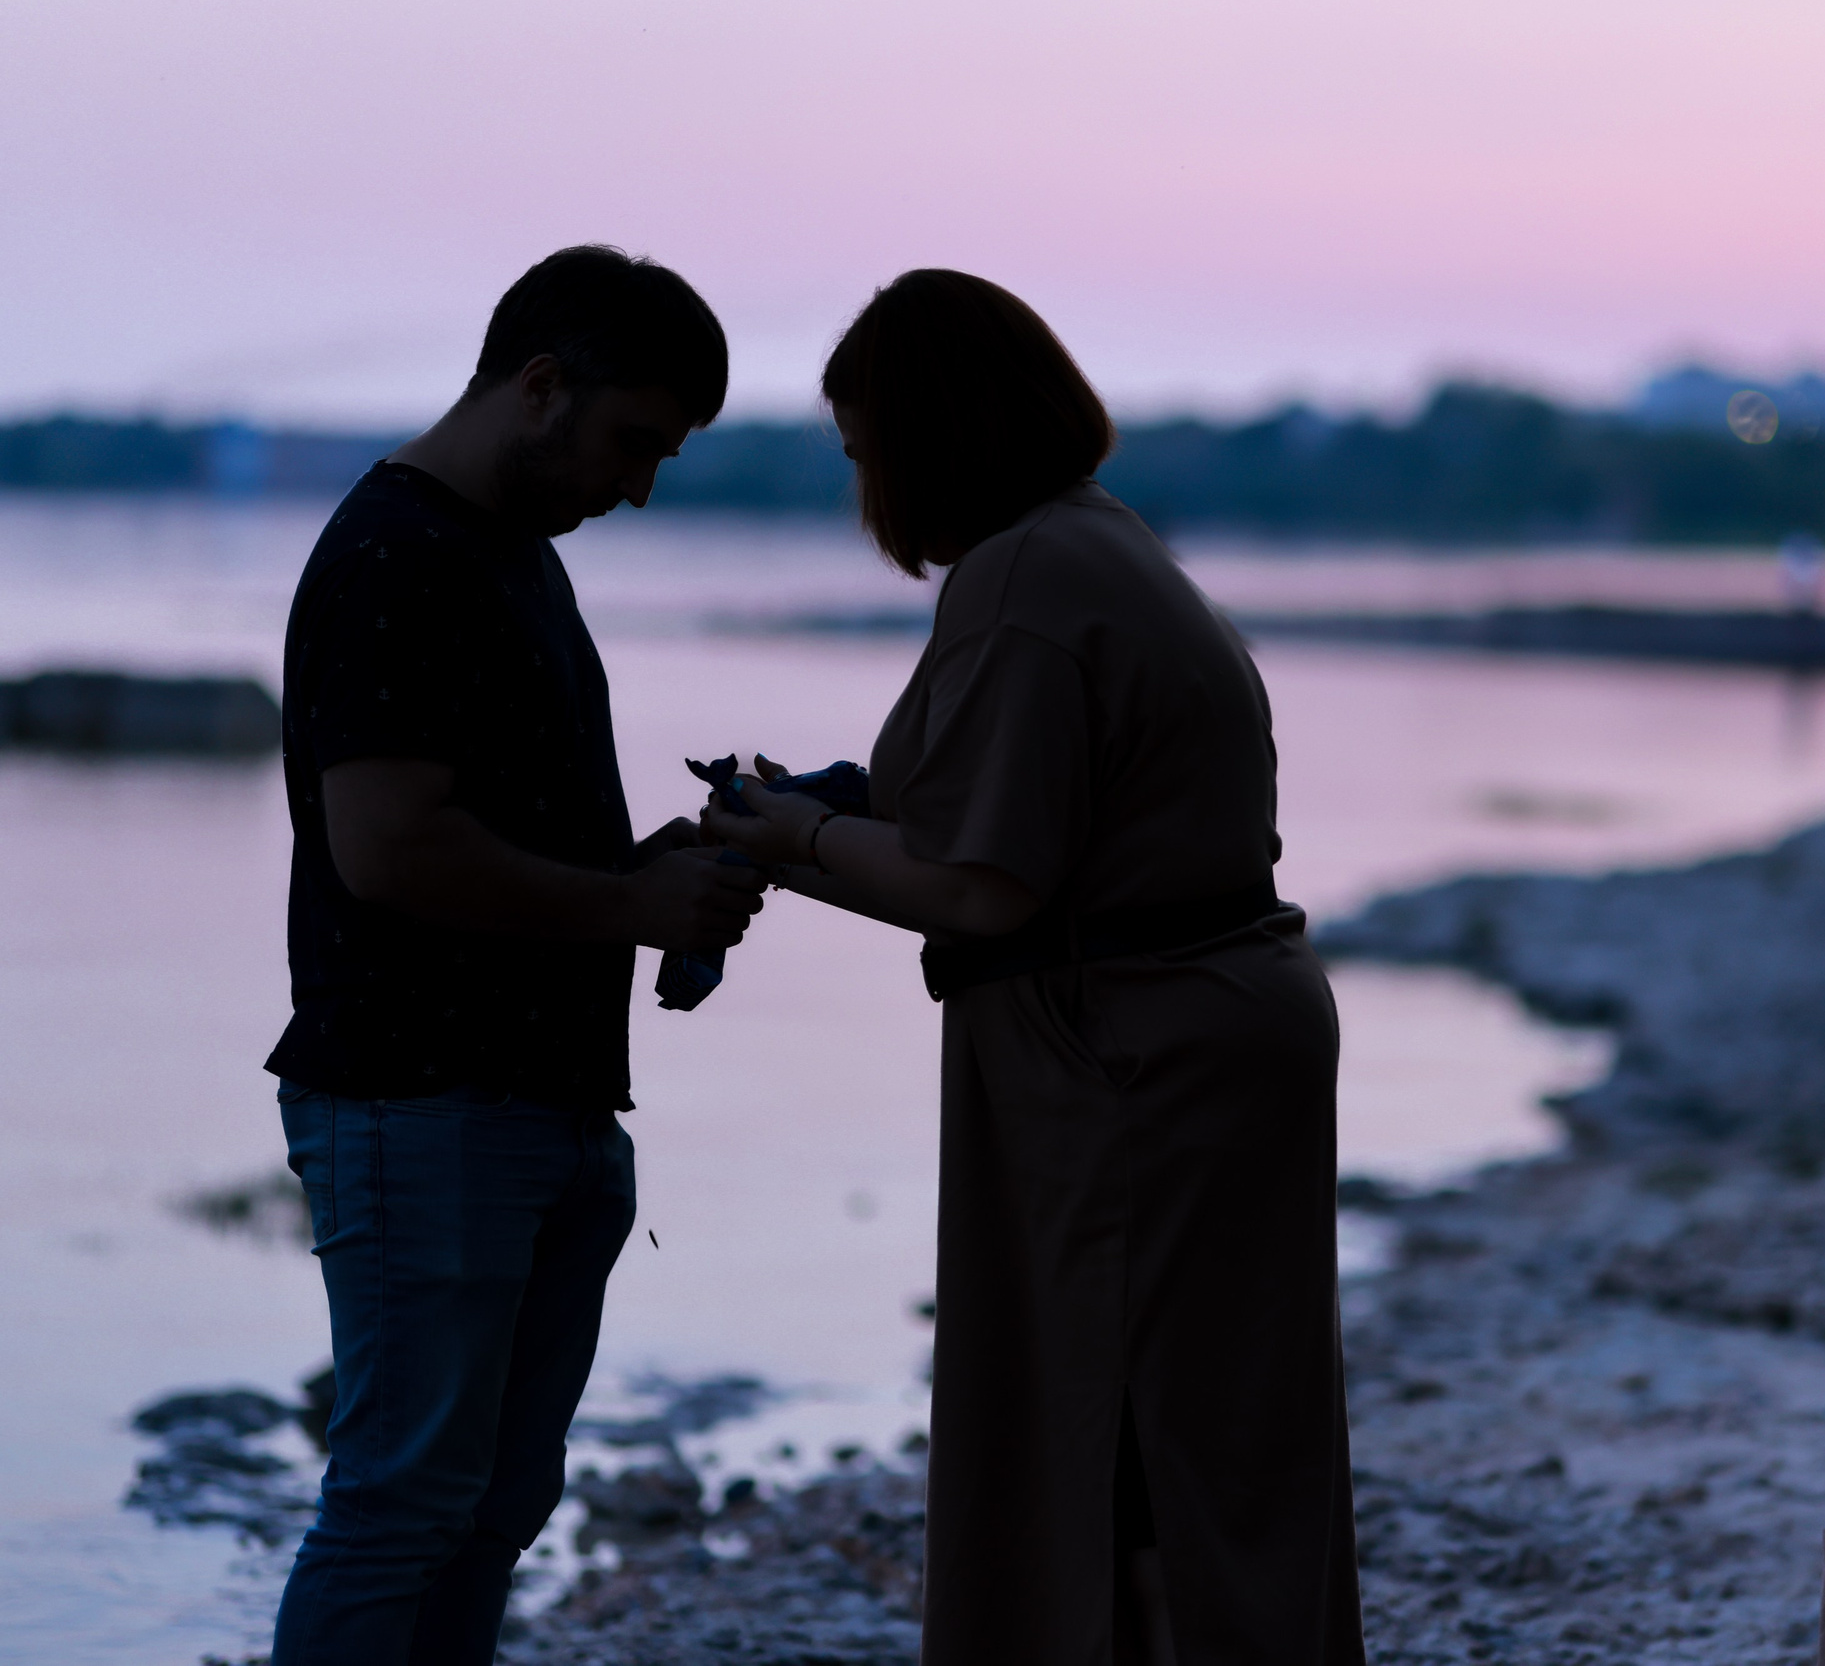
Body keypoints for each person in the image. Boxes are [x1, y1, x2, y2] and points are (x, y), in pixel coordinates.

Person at [703, 269, 1365, 1666]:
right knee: (1209, 1433)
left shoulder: (1023, 578)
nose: (861, 484)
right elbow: (1018, 814)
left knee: (1118, 1438)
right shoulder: (1093, 543)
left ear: (923, 435)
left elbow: (986, 887)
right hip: (1208, 1031)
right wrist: (826, 810)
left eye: (860, 448)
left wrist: (795, 836)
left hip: (1137, 1062)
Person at [264, 246, 766, 1664]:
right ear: (540, 386)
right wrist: (636, 910)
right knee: (402, 1503)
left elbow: (480, 829)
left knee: (484, 1507)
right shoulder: (392, 554)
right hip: (420, 1102)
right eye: (632, 444)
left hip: (525, 1106)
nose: (640, 487)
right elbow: (391, 849)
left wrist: (649, 869)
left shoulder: (502, 550)